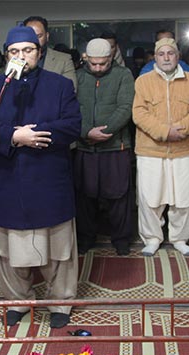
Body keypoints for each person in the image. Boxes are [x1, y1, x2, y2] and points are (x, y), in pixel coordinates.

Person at [0, 25, 81, 329]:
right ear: (6, 55)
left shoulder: (59, 85)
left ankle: (61, 301)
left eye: (28, 50)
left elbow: (73, 126)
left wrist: (35, 136)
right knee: (9, 249)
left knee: (59, 248)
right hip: (7, 179)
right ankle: (17, 301)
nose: (22, 56)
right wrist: (14, 136)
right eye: (15, 51)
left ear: (39, 53)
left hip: (49, 179)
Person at [133, 38, 189, 257]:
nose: (166, 57)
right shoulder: (143, 81)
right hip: (151, 149)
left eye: (170, 53)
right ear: (155, 57)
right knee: (150, 197)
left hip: (184, 148)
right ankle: (152, 238)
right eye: (161, 54)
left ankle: (180, 238)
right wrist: (165, 132)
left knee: (184, 197)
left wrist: (181, 129)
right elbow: (139, 113)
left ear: (178, 56)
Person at [74, 38, 136, 256]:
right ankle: (86, 238)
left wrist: (104, 132)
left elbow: (126, 107)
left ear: (111, 58)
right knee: (85, 196)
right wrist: (86, 132)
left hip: (115, 147)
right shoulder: (78, 77)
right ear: (86, 59)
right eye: (94, 64)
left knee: (118, 197)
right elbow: (71, 109)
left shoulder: (123, 75)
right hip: (84, 147)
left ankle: (121, 239)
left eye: (103, 63)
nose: (98, 68)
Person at [22, 16, 77, 90]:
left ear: (47, 36)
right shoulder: (16, 59)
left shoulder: (64, 60)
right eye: (30, 36)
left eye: (39, 36)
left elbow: (70, 90)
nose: (34, 40)